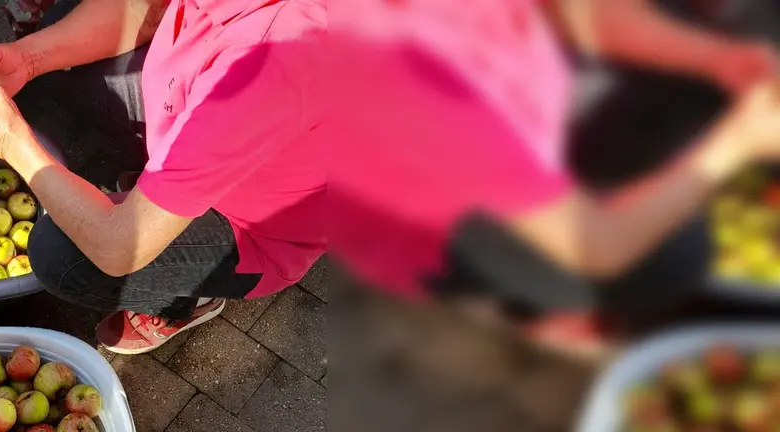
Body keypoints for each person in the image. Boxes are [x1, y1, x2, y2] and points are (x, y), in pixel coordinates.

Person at [325, 0, 780, 349]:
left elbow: (572, 10)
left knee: (692, 94)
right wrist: (734, 145)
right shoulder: (374, 68)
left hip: (526, 117)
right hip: (438, 229)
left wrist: (715, 58)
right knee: (669, 258)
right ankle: (537, 303)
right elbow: (596, 245)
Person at [0, 0, 326, 355]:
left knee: (64, 256)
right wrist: (27, 59)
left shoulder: (268, 63)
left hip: (250, 225)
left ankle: (183, 301)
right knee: (57, 44)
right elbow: (142, 8)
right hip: (196, 104)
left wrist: (11, 141)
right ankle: (160, 183)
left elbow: (118, 247)